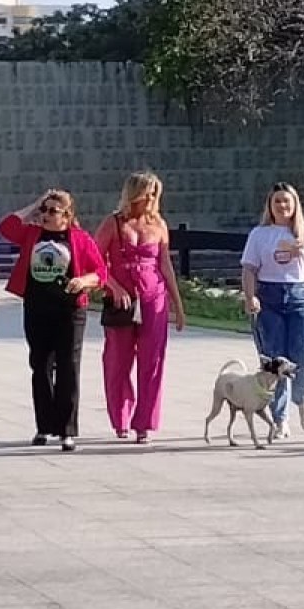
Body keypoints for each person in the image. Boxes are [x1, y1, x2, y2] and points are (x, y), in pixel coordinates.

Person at [0, 189, 109, 453]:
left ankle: (67, 430)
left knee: (69, 367)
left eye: (52, 211)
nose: (46, 216)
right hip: (38, 307)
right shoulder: (33, 234)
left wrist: (83, 281)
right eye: (44, 211)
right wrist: (35, 204)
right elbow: (7, 227)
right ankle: (44, 425)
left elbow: (101, 272)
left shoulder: (80, 239)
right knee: (40, 365)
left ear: (68, 215)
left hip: (70, 310)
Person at [95, 171, 186, 443]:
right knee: (117, 361)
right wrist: (113, 286)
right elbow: (95, 262)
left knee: (152, 362)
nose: (151, 199)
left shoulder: (159, 225)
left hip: (152, 297)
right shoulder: (113, 223)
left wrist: (177, 305)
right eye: (147, 193)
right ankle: (120, 417)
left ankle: (144, 422)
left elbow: (166, 266)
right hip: (122, 299)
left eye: (154, 194)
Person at [241, 184, 304, 438]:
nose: (282, 206)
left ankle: (301, 399)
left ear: (295, 204)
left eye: (287, 201)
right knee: (274, 360)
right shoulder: (260, 234)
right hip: (270, 295)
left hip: (301, 294)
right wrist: (250, 296)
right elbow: (249, 268)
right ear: (270, 205)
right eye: (277, 201)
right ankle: (280, 419)